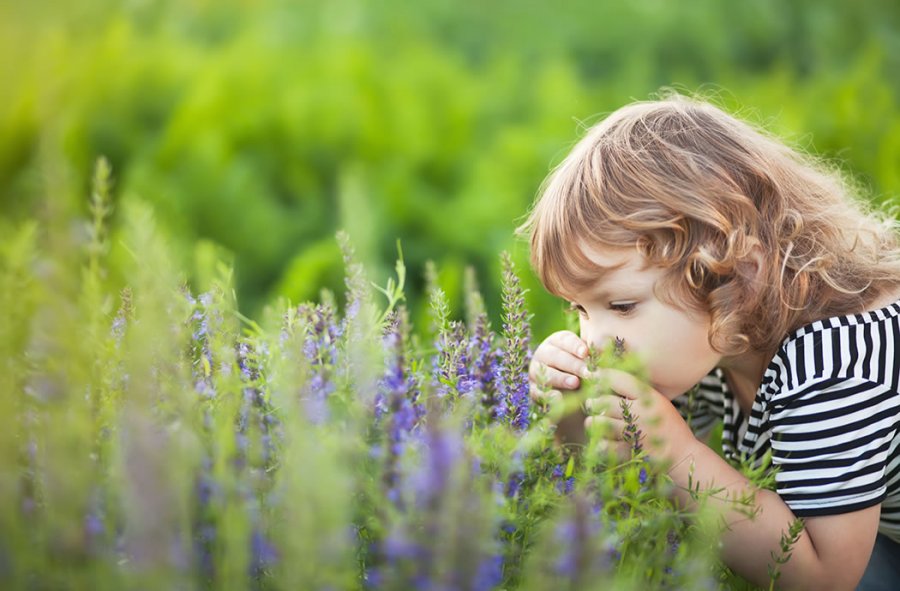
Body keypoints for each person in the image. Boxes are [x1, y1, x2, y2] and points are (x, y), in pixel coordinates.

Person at [520, 94, 900, 590]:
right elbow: (629, 491)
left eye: (622, 306)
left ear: (739, 273)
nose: (593, 341)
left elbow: (827, 577)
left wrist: (675, 452)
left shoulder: (832, 363)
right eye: (579, 310)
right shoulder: (711, 335)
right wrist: (574, 417)